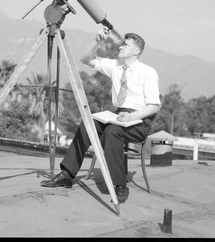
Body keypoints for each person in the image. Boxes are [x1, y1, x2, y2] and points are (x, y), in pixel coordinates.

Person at [40, 27, 161, 203]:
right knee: (88, 124)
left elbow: (153, 107)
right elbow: (86, 59)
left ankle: (120, 185)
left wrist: (132, 117)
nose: (120, 47)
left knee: (112, 132)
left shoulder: (148, 72)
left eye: (125, 45)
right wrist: (97, 41)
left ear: (136, 51)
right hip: (118, 116)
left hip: (139, 121)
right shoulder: (115, 66)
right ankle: (67, 175)